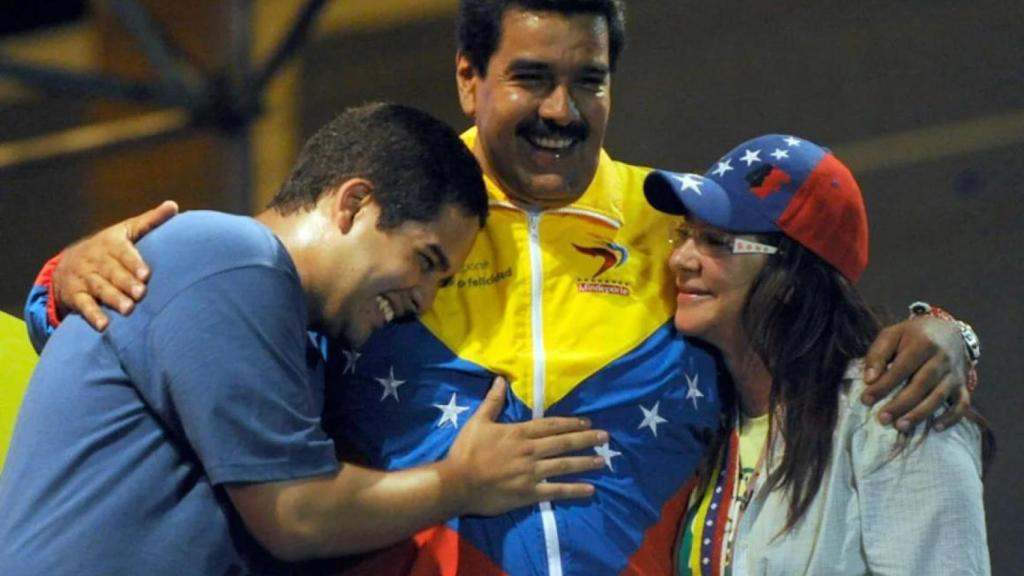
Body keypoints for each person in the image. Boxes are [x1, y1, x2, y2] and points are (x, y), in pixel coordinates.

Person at [22, 1, 981, 574]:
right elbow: (206, 322)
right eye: (531, 78)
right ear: (469, 76)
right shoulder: (393, 227)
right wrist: (61, 281)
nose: (562, 111)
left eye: (589, 81)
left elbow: (812, 325)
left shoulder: (677, 233)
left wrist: (943, 335)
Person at [0, 103, 611, 575]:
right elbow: (295, 515)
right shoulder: (231, 259)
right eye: (425, 261)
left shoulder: (303, 339)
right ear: (354, 204)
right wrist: (462, 482)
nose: (422, 298)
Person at [644, 134, 992, 575]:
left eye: (716, 241)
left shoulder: (895, 410)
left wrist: (953, 335)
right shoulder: (706, 419)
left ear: (792, 277)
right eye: (685, 234)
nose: (680, 258)